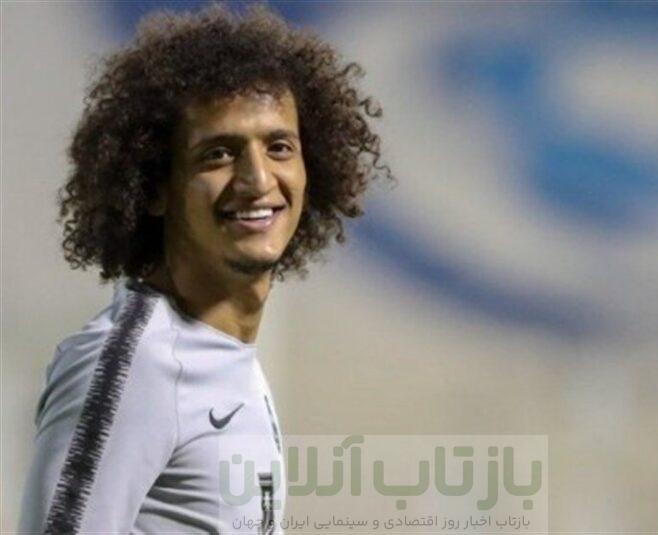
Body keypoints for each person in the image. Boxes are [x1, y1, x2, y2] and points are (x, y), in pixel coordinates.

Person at [18, 4, 390, 533]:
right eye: (219, 154)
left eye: (279, 147)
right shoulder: (137, 365)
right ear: (155, 189)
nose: (258, 179)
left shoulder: (230, 358)